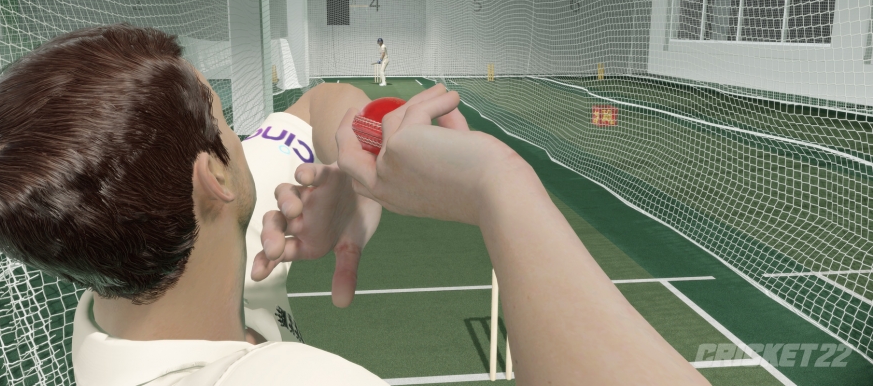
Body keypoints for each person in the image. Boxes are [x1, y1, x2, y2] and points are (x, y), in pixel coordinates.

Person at [0, 24, 388, 385]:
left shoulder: (187, 230)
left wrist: (354, 173)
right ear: (215, 177)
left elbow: (323, 101)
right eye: (223, 119)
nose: (241, 139)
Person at [258, 85, 712, 385]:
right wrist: (496, 178)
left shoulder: (254, 176)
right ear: (219, 182)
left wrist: (349, 162)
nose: (237, 131)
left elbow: (322, 100)